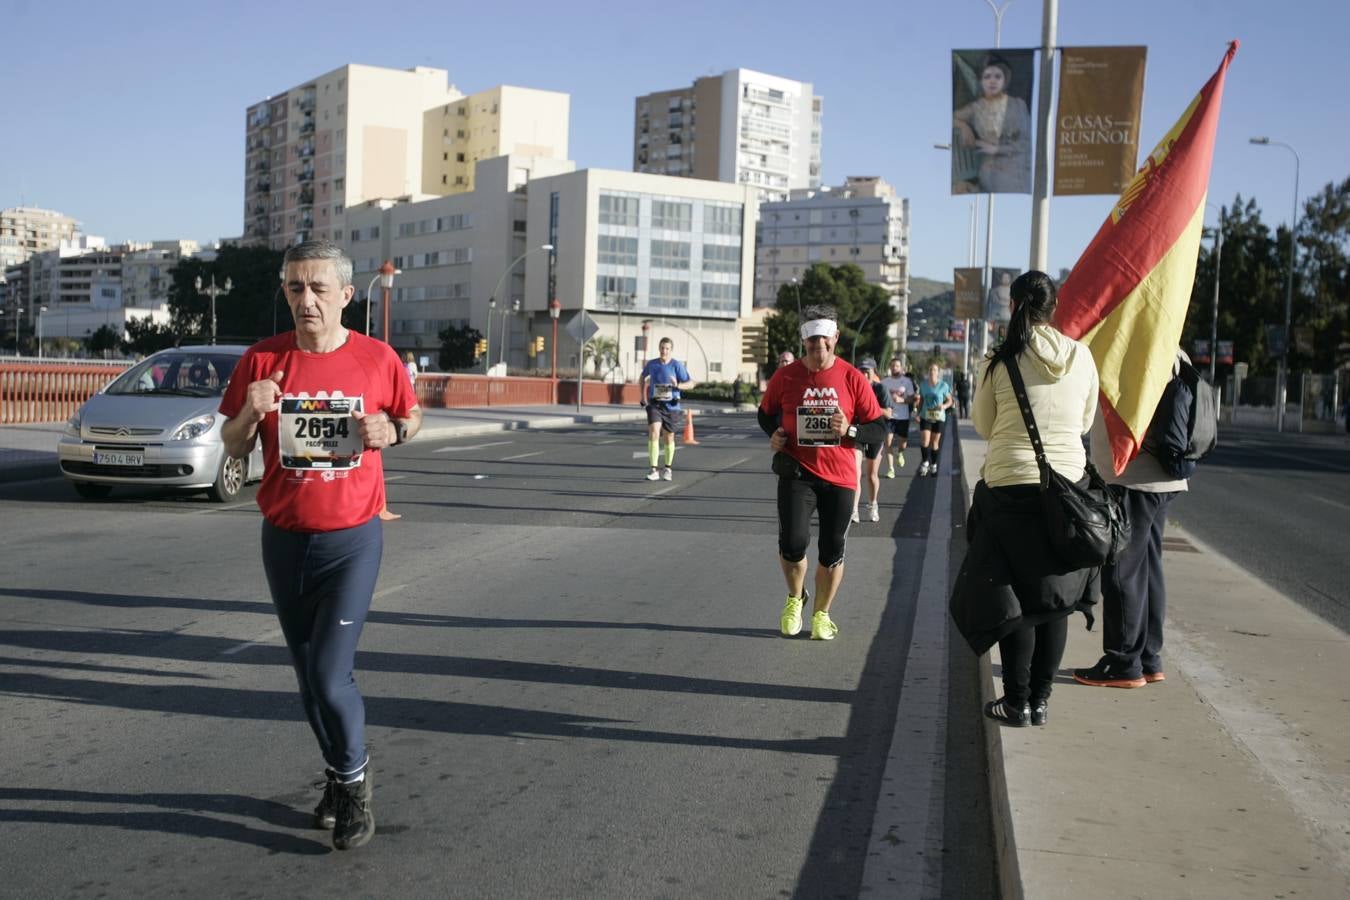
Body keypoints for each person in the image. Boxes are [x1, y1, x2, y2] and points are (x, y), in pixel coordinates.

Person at [219, 240, 422, 850]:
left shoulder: (377, 359)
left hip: (352, 539)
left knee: (333, 677)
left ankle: (355, 787)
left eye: (317, 289)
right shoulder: (261, 360)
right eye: (293, 288)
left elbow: (411, 419)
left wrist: (392, 430)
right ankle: (338, 776)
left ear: (346, 295)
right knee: (308, 681)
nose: (304, 301)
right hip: (283, 539)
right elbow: (231, 446)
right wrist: (251, 416)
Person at [951, 270, 1099, 728]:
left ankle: (1015, 701)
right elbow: (1085, 421)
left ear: (1012, 306)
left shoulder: (999, 360)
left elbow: (984, 424)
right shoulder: (1082, 356)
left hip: (1010, 488)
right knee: (1057, 599)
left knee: (1016, 602)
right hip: (1067, 492)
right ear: (1054, 309)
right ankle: (1040, 701)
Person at [759, 306, 888, 641]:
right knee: (793, 543)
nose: (819, 345)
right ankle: (795, 597)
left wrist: (852, 430)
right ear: (804, 340)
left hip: (841, 477)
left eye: (824, 338)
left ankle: (821, 613)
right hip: (797, 470)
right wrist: (774, 432)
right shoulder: (786, 376)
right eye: (812, 338)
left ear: (835, 338)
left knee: (832, 550)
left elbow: (878, 427)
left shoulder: (852, 378)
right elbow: (765, 413)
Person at [1073, 350, 1192, 689]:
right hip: (1161, 475)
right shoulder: (1169, 340)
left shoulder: (1131, 339)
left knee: (1122, 568)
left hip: (1133, 474)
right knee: (1149, 566)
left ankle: (1123, 661)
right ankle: (1149, 658)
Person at [953, 56, 1032, 193]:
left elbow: (1026, 143)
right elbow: (952, 117)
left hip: (1016, 170)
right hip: (990, 173)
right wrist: (963, 126)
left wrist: (997, 149)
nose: (992, 81)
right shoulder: (976, 108)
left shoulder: (1018, 105)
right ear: (981, 81)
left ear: (1004, 80)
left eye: (997, 76)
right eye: (987, 76)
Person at [639, 337, 695, 482]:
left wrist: (678, 386)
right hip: (655, 404)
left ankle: (668, 468)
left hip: (672, 406)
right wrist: (642, 396)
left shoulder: (677, 365)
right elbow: (642, 377)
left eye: (667, 348)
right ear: (659, 348)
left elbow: (691, 383)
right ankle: (653, 469)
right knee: (654, 432)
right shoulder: (652, 364)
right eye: (662, 348)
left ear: (671, 350)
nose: (664, 351)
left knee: (668, 437)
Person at [851, 358, 893, 523]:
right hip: (859, 432)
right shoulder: (854, 388)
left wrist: (871, 407)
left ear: (874, 373)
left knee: (871, 475)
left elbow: (889, 413)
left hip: (875, 432)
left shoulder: (880, 388)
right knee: (855, 474)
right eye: (860, 370)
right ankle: (854, 509)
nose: (863, 374)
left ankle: (872, 504)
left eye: (867, 371)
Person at [880, 356, 917, 477]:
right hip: (889, 416)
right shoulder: (884, 382)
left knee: (903, 443)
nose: (895, 368)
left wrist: (901, 400)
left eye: (897, 366)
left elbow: (912, 398)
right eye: (893, 366)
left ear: (901, 368)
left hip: (903, 416)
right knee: (888, 442)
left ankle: (900, 453)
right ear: (890, 367)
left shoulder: (907, 382)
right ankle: (891, 469)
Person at [916, 363, 954, 477]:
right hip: (925, 416)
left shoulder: (943, 385)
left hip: (939, 417)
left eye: (935, 370)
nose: (932, 371)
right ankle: (925, 463)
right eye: (931, 369)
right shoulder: (923, 385)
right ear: (928, 372)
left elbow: (950, 401)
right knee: (925, 441)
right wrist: (918, 413)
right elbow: (921, 400)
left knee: (934, 443)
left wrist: (944, 406)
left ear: (938, 373)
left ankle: (934, 465)